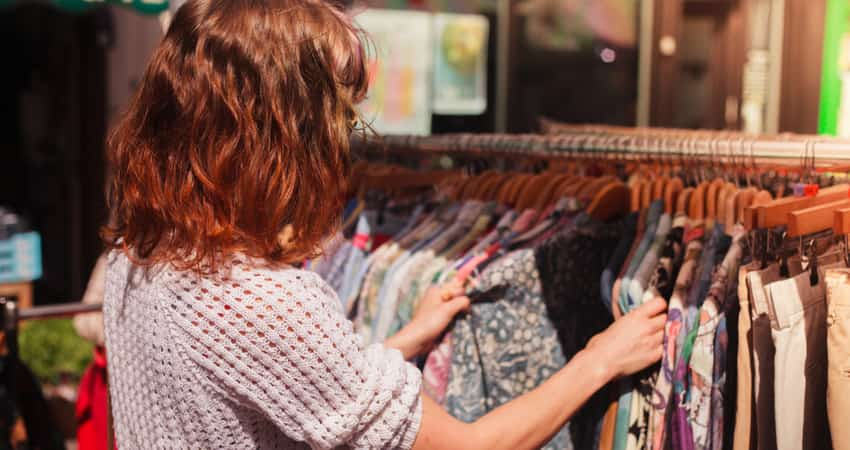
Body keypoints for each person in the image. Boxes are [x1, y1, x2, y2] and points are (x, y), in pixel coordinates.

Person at [101, 0, 667, 448]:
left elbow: (283, 386)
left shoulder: (137, 254)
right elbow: (471, 448)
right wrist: (600, 359)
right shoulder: (263, 300)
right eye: (337, 115)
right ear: (281, 136)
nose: (345, 136)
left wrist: (407, 339)